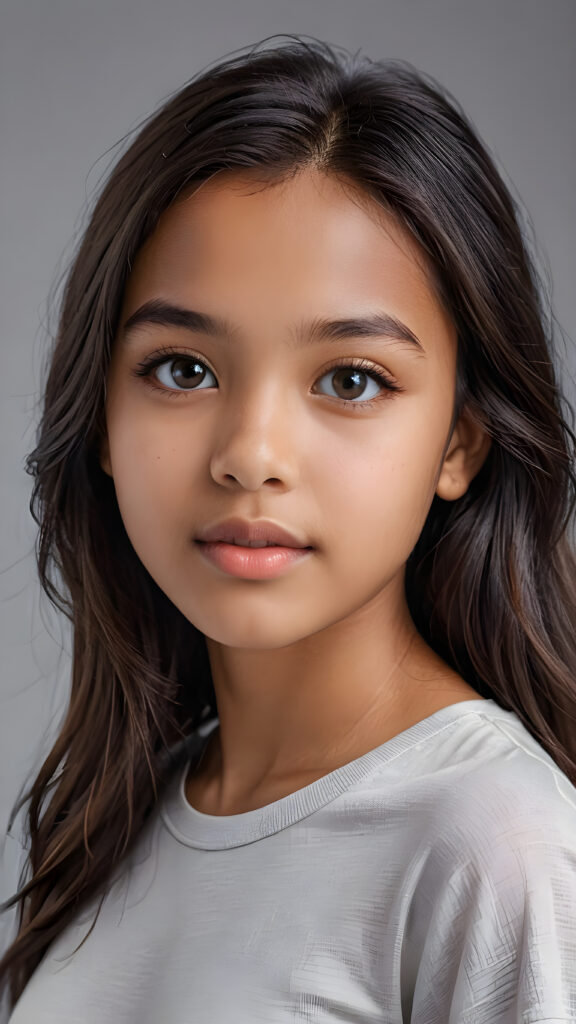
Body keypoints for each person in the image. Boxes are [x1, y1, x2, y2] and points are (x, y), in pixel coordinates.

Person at [1, 32, 575, 1022]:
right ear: (100, 418)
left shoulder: (493, 842)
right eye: (183, 368)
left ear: (460, 444)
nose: (250, 452)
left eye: (351, 380)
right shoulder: (133, 814)